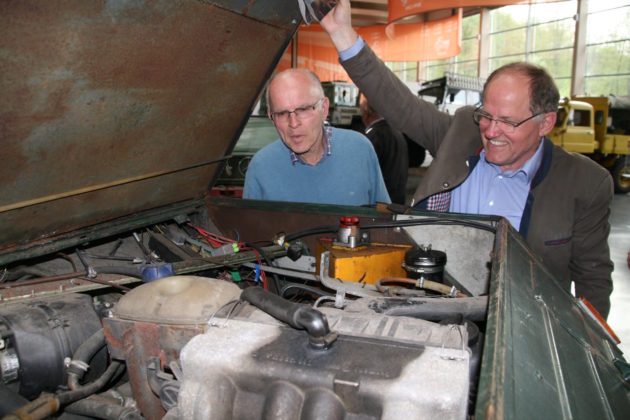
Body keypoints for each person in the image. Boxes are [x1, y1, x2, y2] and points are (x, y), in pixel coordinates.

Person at [319, 0, 614, 318]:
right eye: (486, 115)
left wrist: (593, 352)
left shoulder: (583, 183)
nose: (491, 131)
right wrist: (342, 32)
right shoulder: (460, 133)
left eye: (508, 121)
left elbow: (592, 281)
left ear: (546, 123)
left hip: (517, 330)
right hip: (429, 309)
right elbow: (397, 101)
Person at [243, 68, 390, 206]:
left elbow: (383, 222)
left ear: (324, 108)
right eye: (282, 113)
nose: (293, 123)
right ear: (271, 117)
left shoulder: (360, 150)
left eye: (303, 109)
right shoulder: (261, 168)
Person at [360, 96, 409, 205]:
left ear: (366, 112)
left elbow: (365, 175)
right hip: (398, 201)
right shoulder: (397, 133)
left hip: (380, 205)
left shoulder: (373, 137)